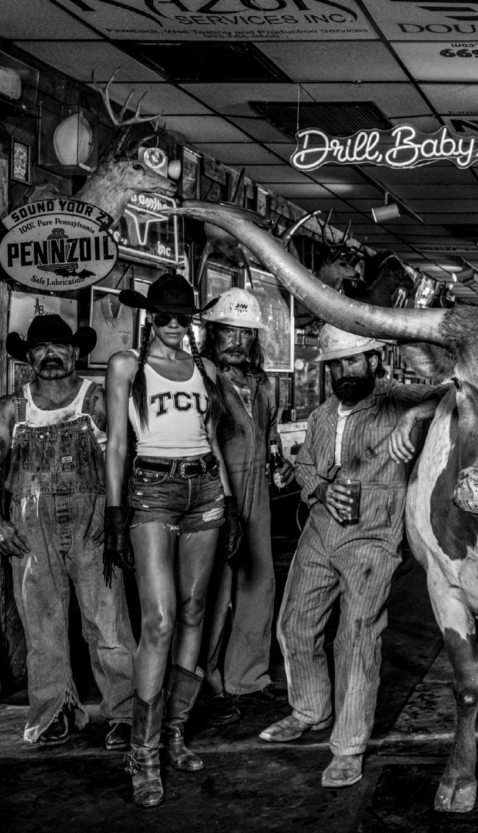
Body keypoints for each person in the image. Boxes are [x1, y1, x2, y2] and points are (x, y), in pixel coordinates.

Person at [261, 325, 440, 789]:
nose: (344, 371)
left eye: (352, 361)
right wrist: (321, 489)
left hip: (373, 536)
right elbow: (305, 467)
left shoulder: (397, 398)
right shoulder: (323, 415)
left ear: (373, 360)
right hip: (321, 528)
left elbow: (456, 391)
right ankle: (310, 709)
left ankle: (348, 746)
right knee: (296, 622)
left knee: (356, 636)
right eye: (336, 364)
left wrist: (412, 417)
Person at [0, 315, 135, 749]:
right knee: (42, 630)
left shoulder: (97, 399)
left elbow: (128, 457)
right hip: (31, 529)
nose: (50, 355)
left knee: (109, 627)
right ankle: (54, 713)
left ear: (75, 352)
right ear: (29, 357)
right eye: (40, 348)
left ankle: (125, 713)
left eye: (59, 346)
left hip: (92, 525)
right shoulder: (10, 409)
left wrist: (116, 517)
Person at [104, 274, 239, 807]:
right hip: (152, 490)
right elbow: (118, 444)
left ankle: (175, 732)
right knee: (158, 619)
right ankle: (143, 752)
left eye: (184, 318)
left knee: (193, 610)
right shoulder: (126, 367)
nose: (175, 327)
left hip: (205, 489)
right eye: (165, 318)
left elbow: (212, 440)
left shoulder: (207, 371)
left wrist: (230, 502)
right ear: (149, 318)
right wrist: (116, 512)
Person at [197, 288, 293, 727]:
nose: (236, 341)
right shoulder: (201, 378)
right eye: (228, 331)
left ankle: (247, 678)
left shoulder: (261, 384)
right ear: (212, 333)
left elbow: (270, 438)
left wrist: (281, 463)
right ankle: (205, 684)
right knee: (214, 591)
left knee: (258, 584)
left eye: (245, 333)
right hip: (216, 491)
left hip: (257, 488)